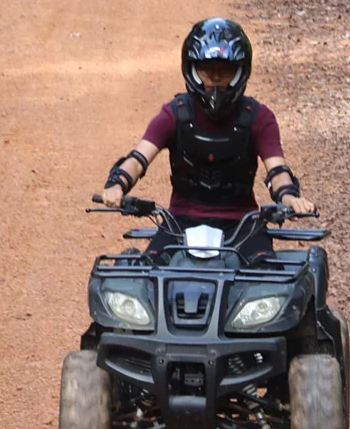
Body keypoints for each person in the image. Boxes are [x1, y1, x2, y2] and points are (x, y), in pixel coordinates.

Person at [101, 17, 315, 258]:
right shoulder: (173, 114)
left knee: (270, 281)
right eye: (207, 70)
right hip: (179, 222)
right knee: (147, 276)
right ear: (192, 69)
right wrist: (117, 184)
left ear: (239, 72)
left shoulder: (259, 118)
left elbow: (277, 170)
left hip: (242, 224)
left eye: (224, 71)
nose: (214, 78)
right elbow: (139, 157)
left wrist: (288, 196)